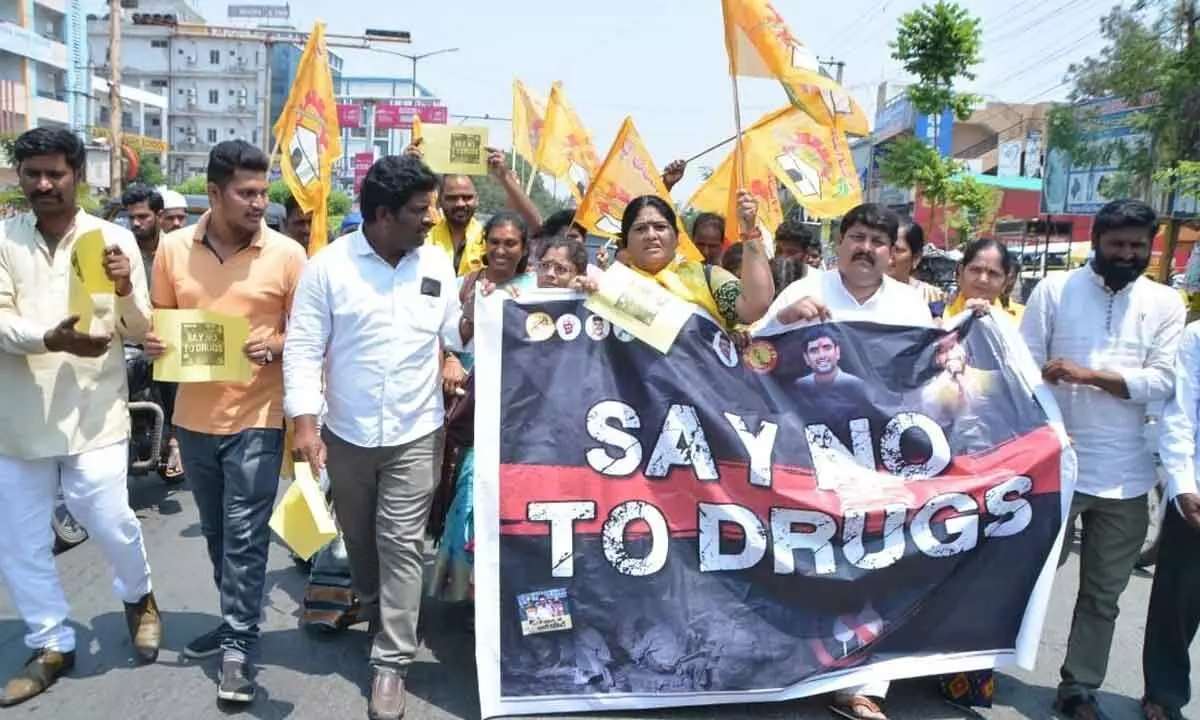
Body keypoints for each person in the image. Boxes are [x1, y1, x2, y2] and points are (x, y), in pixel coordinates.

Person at [284, 154, 464, 720]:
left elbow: (455, 330)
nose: (431, 220)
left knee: (402, 542)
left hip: (417, 430)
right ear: (384, 214)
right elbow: (304, 348)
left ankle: (391, 662)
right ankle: (371, 602)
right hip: (348, 433)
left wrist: (477, 322)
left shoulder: (436, 263)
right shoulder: (329, 268)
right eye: (419, 210)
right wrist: (305, 424)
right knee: (359, 539)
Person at [0, 127, 160, 706]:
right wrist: (48, 339)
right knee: (19, 542)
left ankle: (138, 593)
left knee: (109, 514)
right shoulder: (3, 239)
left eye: (55, 173)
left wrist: (122, 290)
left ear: (78, 176)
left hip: (95, 412)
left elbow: (140, 329)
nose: (44, 183)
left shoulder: (112, 238)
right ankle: (51, 643)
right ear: (21, 176)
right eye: (33, 173)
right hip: (19, 417)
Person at [145, 139, 306, 705]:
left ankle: (237, 645)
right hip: (193, 418)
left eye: (264, 192)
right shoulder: (170, 249)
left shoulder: (287, 254)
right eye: (247, 193)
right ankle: (236, 616)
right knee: (216, 533)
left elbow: (308, 334)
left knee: (244, 533)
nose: (259, 202)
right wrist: (153, 342)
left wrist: (279, 341)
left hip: (259, 415)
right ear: (214, 194)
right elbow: (159, 326)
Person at [764, 202, 935, 720]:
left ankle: (862, 685)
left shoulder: (909, 306)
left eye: (877, 242)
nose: (865, 248)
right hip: (804, 455)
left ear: (892, 252)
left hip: (878, 462)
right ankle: (791, 665)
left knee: (873, 563)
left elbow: (923, 383)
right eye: (856, 237)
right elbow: (753, 359)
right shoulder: (802, 292)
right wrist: (784, 323)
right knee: (806, 561)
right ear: (839, 244)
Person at [1020, 198, 1185, 720]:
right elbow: (1023, 370)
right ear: (1097, 241)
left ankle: (1079, 688)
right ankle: (977, 670)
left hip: (1128, 475)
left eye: (1139, 245)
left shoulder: (1165, 303)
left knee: (1102, 596)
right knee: (1019, 578)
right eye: (1118, 244)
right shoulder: (1054, 289)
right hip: (1056, 467)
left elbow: (1162, 383)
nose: (1129, 254)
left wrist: (1088, 376)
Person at [431, 211, 536, 609]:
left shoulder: (540, 288)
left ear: (524, 249)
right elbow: (450, 337)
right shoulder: (468, 284)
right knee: (474, 483)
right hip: (477, 401)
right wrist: (455, 354)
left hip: (526, 406)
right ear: (484, 245)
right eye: (494, 242)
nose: (502, 250)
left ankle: (508, 590)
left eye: (511, 243)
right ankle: (469, 586)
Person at [574, 194, 772, 330]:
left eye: (660, 227)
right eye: (640, 229)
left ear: (677, 238)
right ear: (624, 242)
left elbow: (755, 305)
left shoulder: (708, 278)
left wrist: (749, 232)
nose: (651, 235)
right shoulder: (608, 284)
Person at [1148, 319, 1200, 720]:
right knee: (1180, 599)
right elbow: (1181, 412)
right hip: (1198, 492)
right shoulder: (1198, 336)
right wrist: (1183, 484)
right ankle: (1164, 694)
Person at [121, 184, 184, 481]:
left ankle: (174, 442)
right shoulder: (119, 248)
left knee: (172, 381)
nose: (136, 223)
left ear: (159, 216)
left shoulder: (179, 250)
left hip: (169, 337)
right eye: (131, 217)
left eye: (143, 216)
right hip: (129, 336)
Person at [945, 237, 1024, 322]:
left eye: (993, 273)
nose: (983, 279)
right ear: (960, 273)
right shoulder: (935, 316)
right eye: (976, 270)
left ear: (1005, 282)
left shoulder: (1022, 321)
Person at [889, 221, 943, 305]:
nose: (888, 255)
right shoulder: (865, 293)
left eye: (897, 250)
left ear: (916, 257)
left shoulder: (932, 296)